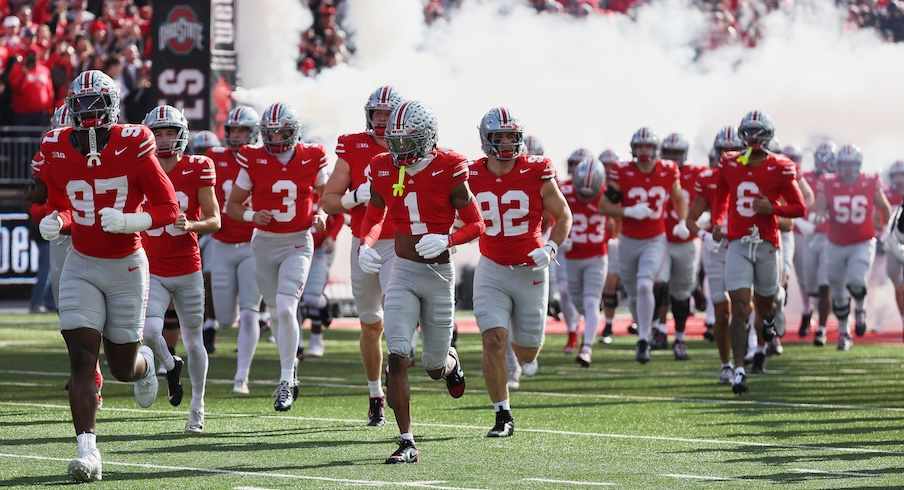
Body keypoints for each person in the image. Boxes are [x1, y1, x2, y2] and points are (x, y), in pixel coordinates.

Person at [38, 70, 178, 482]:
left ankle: (146, 363)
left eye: (94, 104)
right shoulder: (56, 146)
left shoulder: (134, 142)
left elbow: (169, 209)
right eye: (79, 104)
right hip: (81, 261)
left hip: (127, 265)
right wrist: (58, 220)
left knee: (121, 367)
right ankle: (88, 451)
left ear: (112, 106)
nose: (86, 113)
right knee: (81, 357)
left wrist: (132, 219)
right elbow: (62, 203)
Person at [357, 99, 484, 463]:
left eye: (405, 141)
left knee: (432, 366)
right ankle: (407, 440)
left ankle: (450, 363)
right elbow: (374, 214)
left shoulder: (449, 166)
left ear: (427, 139)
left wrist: (448, 239)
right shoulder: (381, 165)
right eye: (392, 141)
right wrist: (366, 244)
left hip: (438, 274)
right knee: (397, 355)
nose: (397, 150)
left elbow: (477, 224)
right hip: (402, 270)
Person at [468, 106, 571, 437]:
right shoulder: (470, 173)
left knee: (527, 353)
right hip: (492, 268)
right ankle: (502, 415)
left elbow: (563, 215)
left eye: (512, 136)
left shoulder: (537, 169)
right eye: (500, 136)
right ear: (486, 139)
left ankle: (520, 343)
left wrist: (550, 248)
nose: (507, 143)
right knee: (493, 340)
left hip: (531, 270)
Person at [225, 102, 327, 412]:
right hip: (265, 243)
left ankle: (287, 378)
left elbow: (325, 194)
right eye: (271, 132)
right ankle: (288, 368)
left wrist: (320, 213)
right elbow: (233, 207)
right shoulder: (253, 157)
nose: (277, 138)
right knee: (275, 310)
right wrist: (254, 215)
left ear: (294, 131)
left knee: (285, 308)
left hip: (297, 241)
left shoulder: (312, 156)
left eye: (282, 131)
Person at [321, 85, 405, 426]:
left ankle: (403, 369)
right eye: (378, 114)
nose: (382, 120)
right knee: (371, 325)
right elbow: (328, 201)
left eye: (388, 114)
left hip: (401, 241)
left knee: (398, 310)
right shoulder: (352, 145)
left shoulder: (413, 142)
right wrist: (355, 195)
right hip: (364, 242)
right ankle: (375, 394)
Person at [710, 110, 806, 394]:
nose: (753, 138)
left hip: (766, 242)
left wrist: (773, 208)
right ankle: (739, 371)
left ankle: (770, 315)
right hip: (738, 242)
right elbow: (721, 196)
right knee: (739, 306)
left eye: (759, 132)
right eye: (748, 132)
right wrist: (717, 222)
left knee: (764, 307)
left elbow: (799, 208)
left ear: (769, 135)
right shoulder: (730, 162)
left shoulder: (781, 166)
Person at [140, 105, 220, 432]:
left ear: (182, 134)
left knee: (194, 339)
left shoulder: (199, 166)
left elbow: (215, 220)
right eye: (157, 133)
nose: (162, 139)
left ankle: (197, 407)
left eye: (169, 132)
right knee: (148, 332)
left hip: (187, 266)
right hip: (153, 266)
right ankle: (171, 364)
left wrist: (193, 224)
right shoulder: (139, 167)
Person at [598, 127, 688, 364]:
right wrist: (627, 210)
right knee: (634, 292)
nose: (644, 151)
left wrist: (681, 221)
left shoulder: (668, 170)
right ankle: (643, 329)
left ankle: (644, 339)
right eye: (640, 147)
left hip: (654, 239)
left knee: (646, 284)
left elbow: (679, 197)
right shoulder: (623, 171)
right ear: (634, 149)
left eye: (648, 146)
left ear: (655, 149)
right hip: (629, 239)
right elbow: (604, 206)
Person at [205, 105, 264, 394]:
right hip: (222, 243)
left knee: (251, 310)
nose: (236, 136)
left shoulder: (263, 159)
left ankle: (242, 375)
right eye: (233, 130)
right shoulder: (214, 157)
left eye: (242, 130)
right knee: (226, 319)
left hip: (253, 243)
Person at [809, 144, 890, 350]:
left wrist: (885, 230)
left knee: (856, 281)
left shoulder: (870, 181)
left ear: (858, 165)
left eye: (851, 164)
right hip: (835, 243)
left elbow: (884, 207)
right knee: (837, 293)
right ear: (837, 166)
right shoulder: (827, 182)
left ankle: (861, 310)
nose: (847, 169)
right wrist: (818, 215)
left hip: (862, 242)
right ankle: (844, 333)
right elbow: (818, 207)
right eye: (843, 165)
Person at [687, 126, 745, 384]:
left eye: (734, 149)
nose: (729, 154)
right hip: (719, 249)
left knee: (745, 305)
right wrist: (705, 236)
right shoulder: (710, 178)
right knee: (721, 310)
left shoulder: (756, 175)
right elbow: (691, 220)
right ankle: (726, 363)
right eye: (724, 150)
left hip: (745, 247)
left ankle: (753, 348)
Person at [656, 132, 704, 360]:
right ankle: (659, 329)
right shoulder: (657, 171)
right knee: (658, 284)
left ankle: (681, 338)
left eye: (677, 153)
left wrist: (701, 221)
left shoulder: (697, 174)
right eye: (670, 153)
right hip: (661, 239)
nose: (673, 157)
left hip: (686, 241)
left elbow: (714, 192)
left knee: (681, 294)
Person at [558, 151, 605, 366]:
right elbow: (550, 213)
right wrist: (560, 235)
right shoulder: (565, 192)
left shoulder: (607, 194)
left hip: (596, 255)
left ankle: (587, 348)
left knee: (590, 301)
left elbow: (618, 216)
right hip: (572, 256)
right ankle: (578, 329)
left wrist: (614, 237)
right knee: (574, 299)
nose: (586, 197)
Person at [297, 191, 345, 357]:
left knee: (310, 296)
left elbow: (339, 216)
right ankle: (298, 346)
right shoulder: (293, 182)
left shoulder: (326, 186)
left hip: (320, 248)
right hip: (295, 247)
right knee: (293, 298)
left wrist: (332, 237)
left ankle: (324, 306)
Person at [799, 139, 837, 342]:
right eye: (820, 159)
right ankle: (809, 312)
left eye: (827, 159)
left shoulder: (838, 181)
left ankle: (821, 328)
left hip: (830, 238)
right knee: (809, 283)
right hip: (809, 236)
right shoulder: (805, 178)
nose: (823, 163)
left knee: (825, 285)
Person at [597, 148, 624, 343]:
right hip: (596, 241)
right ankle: (606, 324)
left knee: (612, 283)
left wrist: (618, 236)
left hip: (616, 241)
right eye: (604, 166)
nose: (607, 170)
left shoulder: (622, 187)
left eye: (610, 166)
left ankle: (608, 324)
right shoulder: (592, 187)